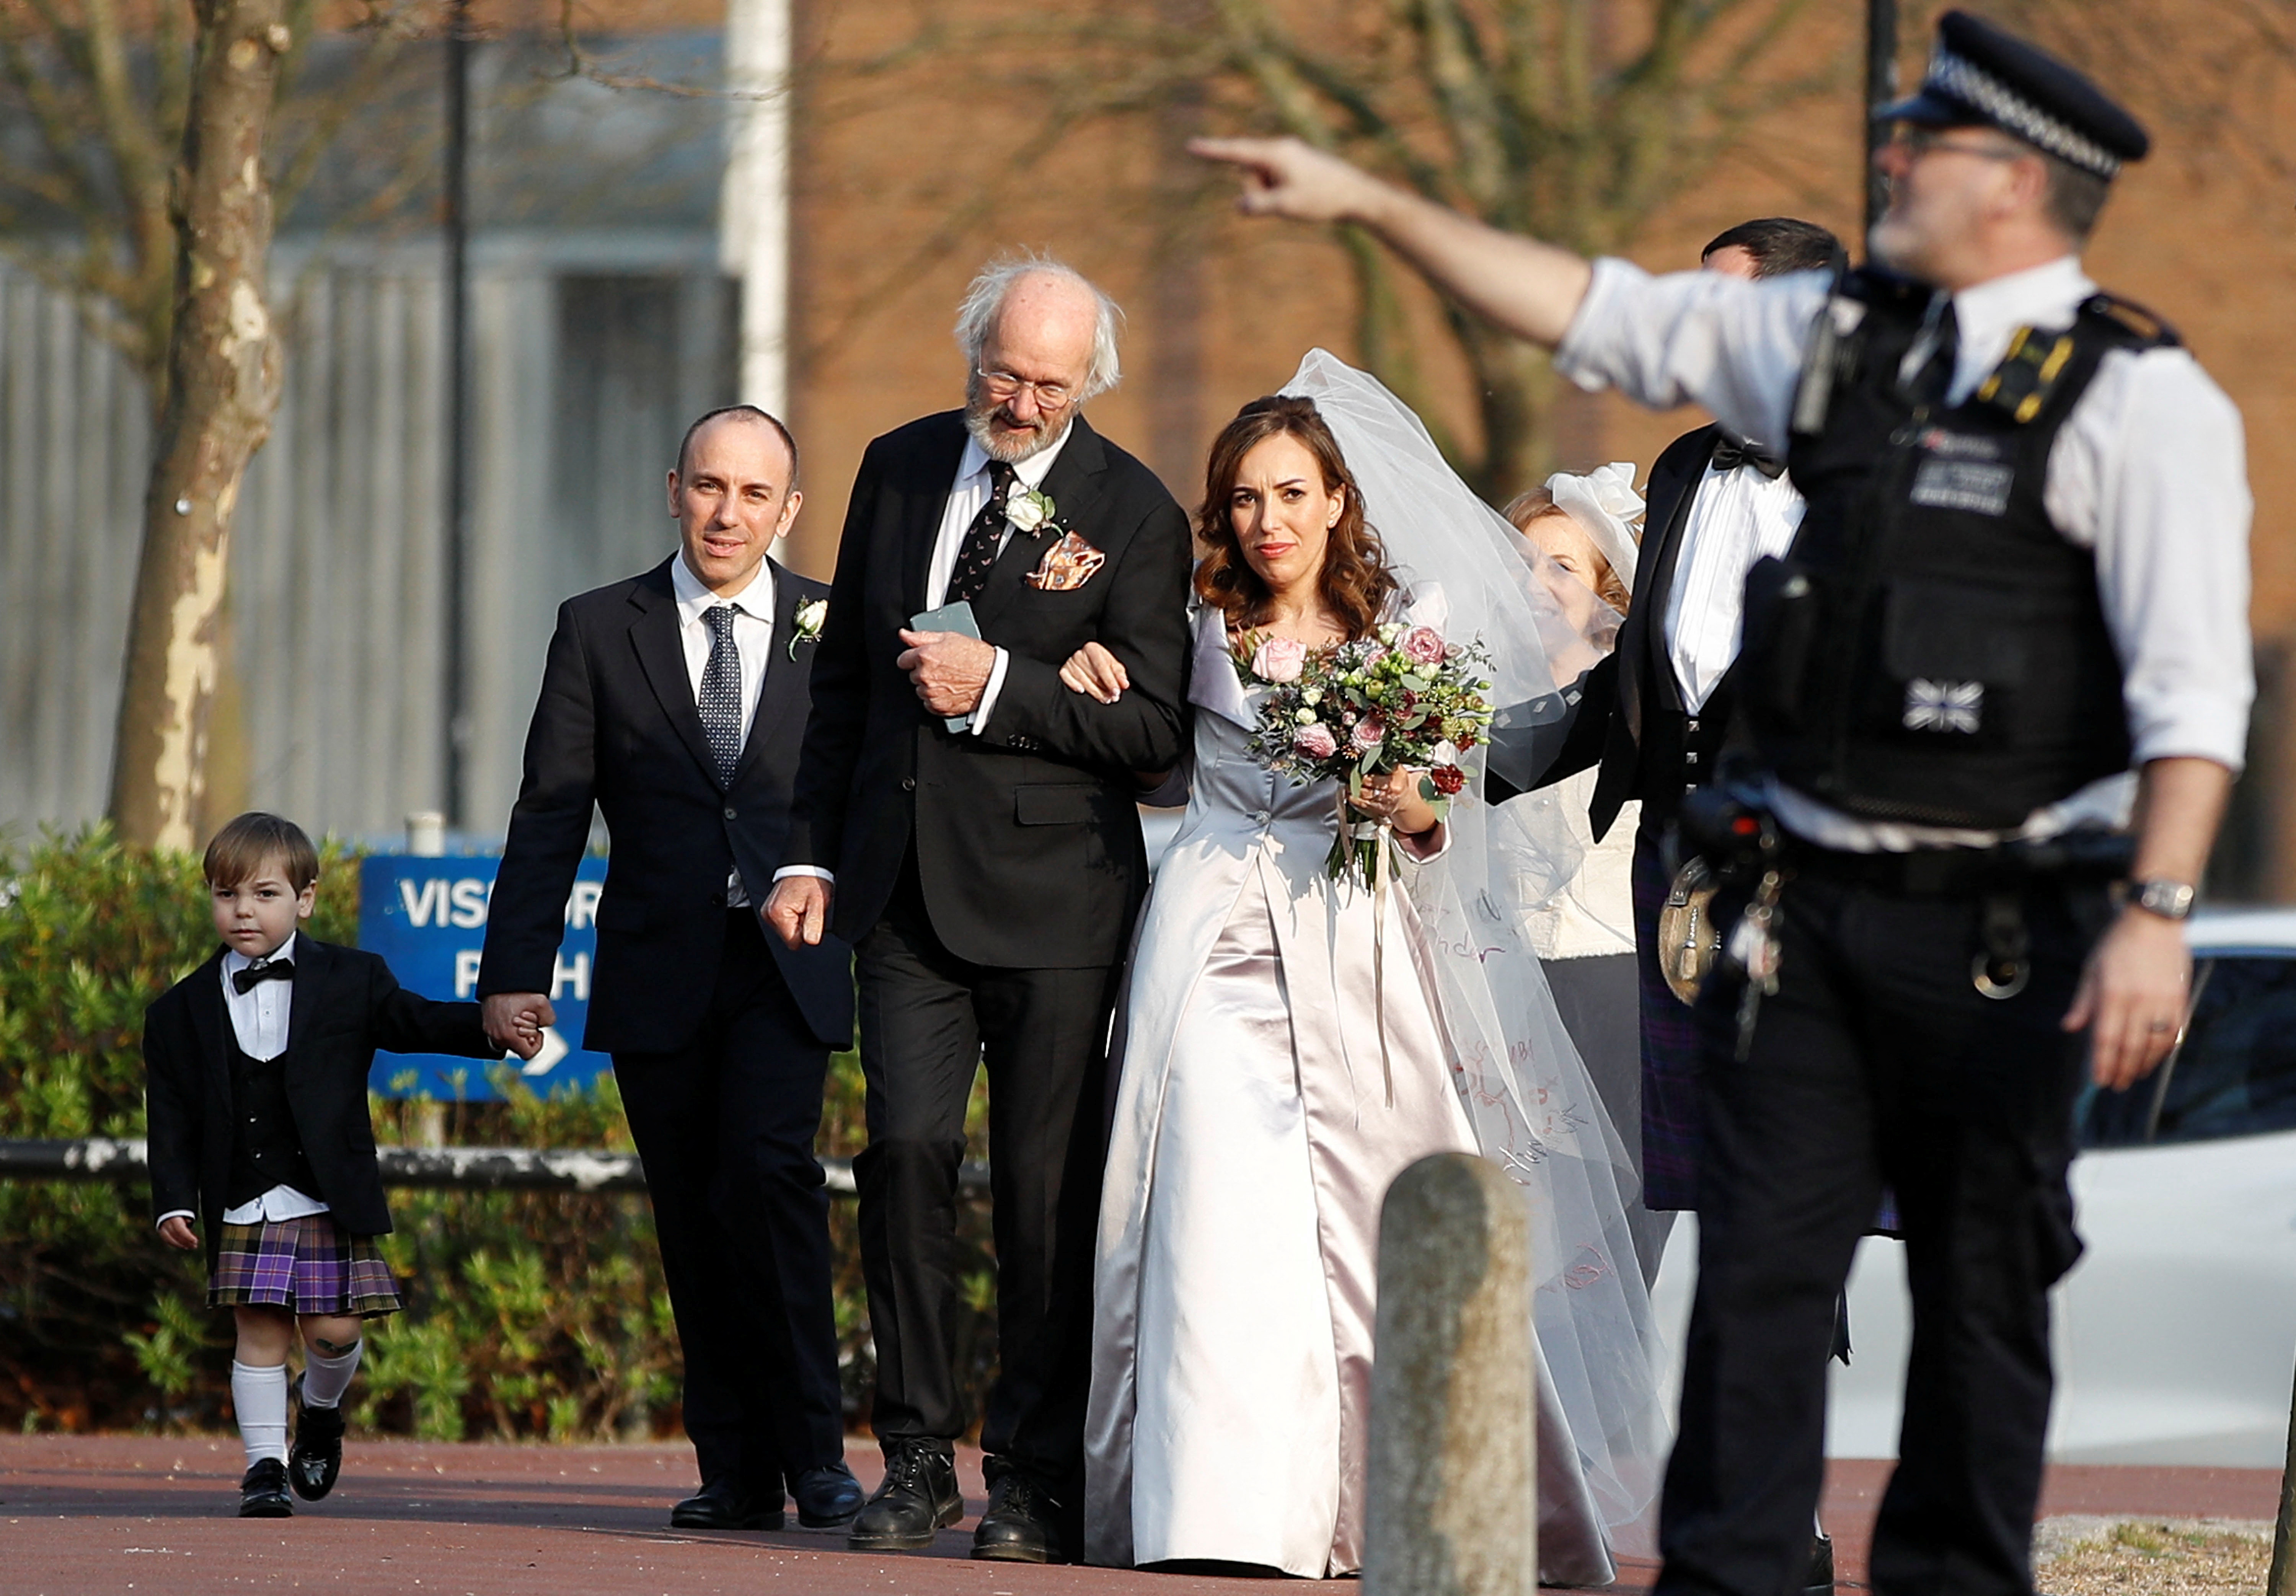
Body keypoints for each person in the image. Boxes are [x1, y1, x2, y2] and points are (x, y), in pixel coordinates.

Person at [1194, 11, 2253, 1596]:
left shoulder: (2136, 398)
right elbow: (1593, 305)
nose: (1890, 155)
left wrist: (2161, 912)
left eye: (1927, 141)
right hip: (1783, 921)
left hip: (1997, 921)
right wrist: (1375, 203)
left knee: (1982, 1289)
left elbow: (2192, 689)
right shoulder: (1825, 357)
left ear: (2018, 185)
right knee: (1758, 1278)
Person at [1071, 359, 1670, 1583]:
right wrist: (1093, 680)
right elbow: (1148, 757)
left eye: (1291, 493)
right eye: (1243, 499)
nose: (1267, 520)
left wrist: (1415, 806)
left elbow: (1448, 805)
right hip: (1213, 935)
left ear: (1338, 501)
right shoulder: (1193, 625)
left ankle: (1421, 1501)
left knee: (1388, 1209)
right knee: (1216, 1207)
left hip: (1357, 933)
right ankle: (1226, 1512)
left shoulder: (1408, 635)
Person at [762, 257, 1194, 1565]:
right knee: (899, 1162)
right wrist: (809, 856)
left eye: (1050, 383)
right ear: (972, 352)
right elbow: (839, 689)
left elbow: (1158, 730)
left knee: (1045, 1200)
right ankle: (910, 1457)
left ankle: (1033, 1473)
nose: (1021, 400)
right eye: (1004, 371)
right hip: (899, 895)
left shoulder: (1136, 510)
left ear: (1089, 383)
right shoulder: (895, 466)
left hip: (1060, 906)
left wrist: (1002, 681)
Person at [476, 406, 862, 1534]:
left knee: (772, 1178)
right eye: (708, 486)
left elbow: (871, 788)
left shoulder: (839, 628)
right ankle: (734, 1469)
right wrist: (513, 969)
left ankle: (817, 1453)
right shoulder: (600, 626)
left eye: (754, 494)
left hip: (787, 962)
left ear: (789, 510)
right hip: (658, 967)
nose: (726, 512)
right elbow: (549, 810)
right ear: (672, 489)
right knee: (694, 1214)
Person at [145, 812, 518, 1518]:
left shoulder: (353, 978)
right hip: (242, 1197)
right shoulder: (178, 1011)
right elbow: (169, 1117)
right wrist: (173, 1199)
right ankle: (263, 1468)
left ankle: (319, 1412)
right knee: (258, 1330)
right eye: (227, 896)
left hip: (325, 1191)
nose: (243, 911)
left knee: (334, 1330)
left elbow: (418, 1021)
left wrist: (493, 1026)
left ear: (305, 899)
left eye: (263, 894)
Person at [1499, 467, 1672, 1273]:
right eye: (1523, 563)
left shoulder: (1644, 708)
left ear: (1608, 589)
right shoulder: (1467, 695)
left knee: (1615, 1255)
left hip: (1616, 990)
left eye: (1562, 567)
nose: (1537, 584)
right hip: (1510, 998)